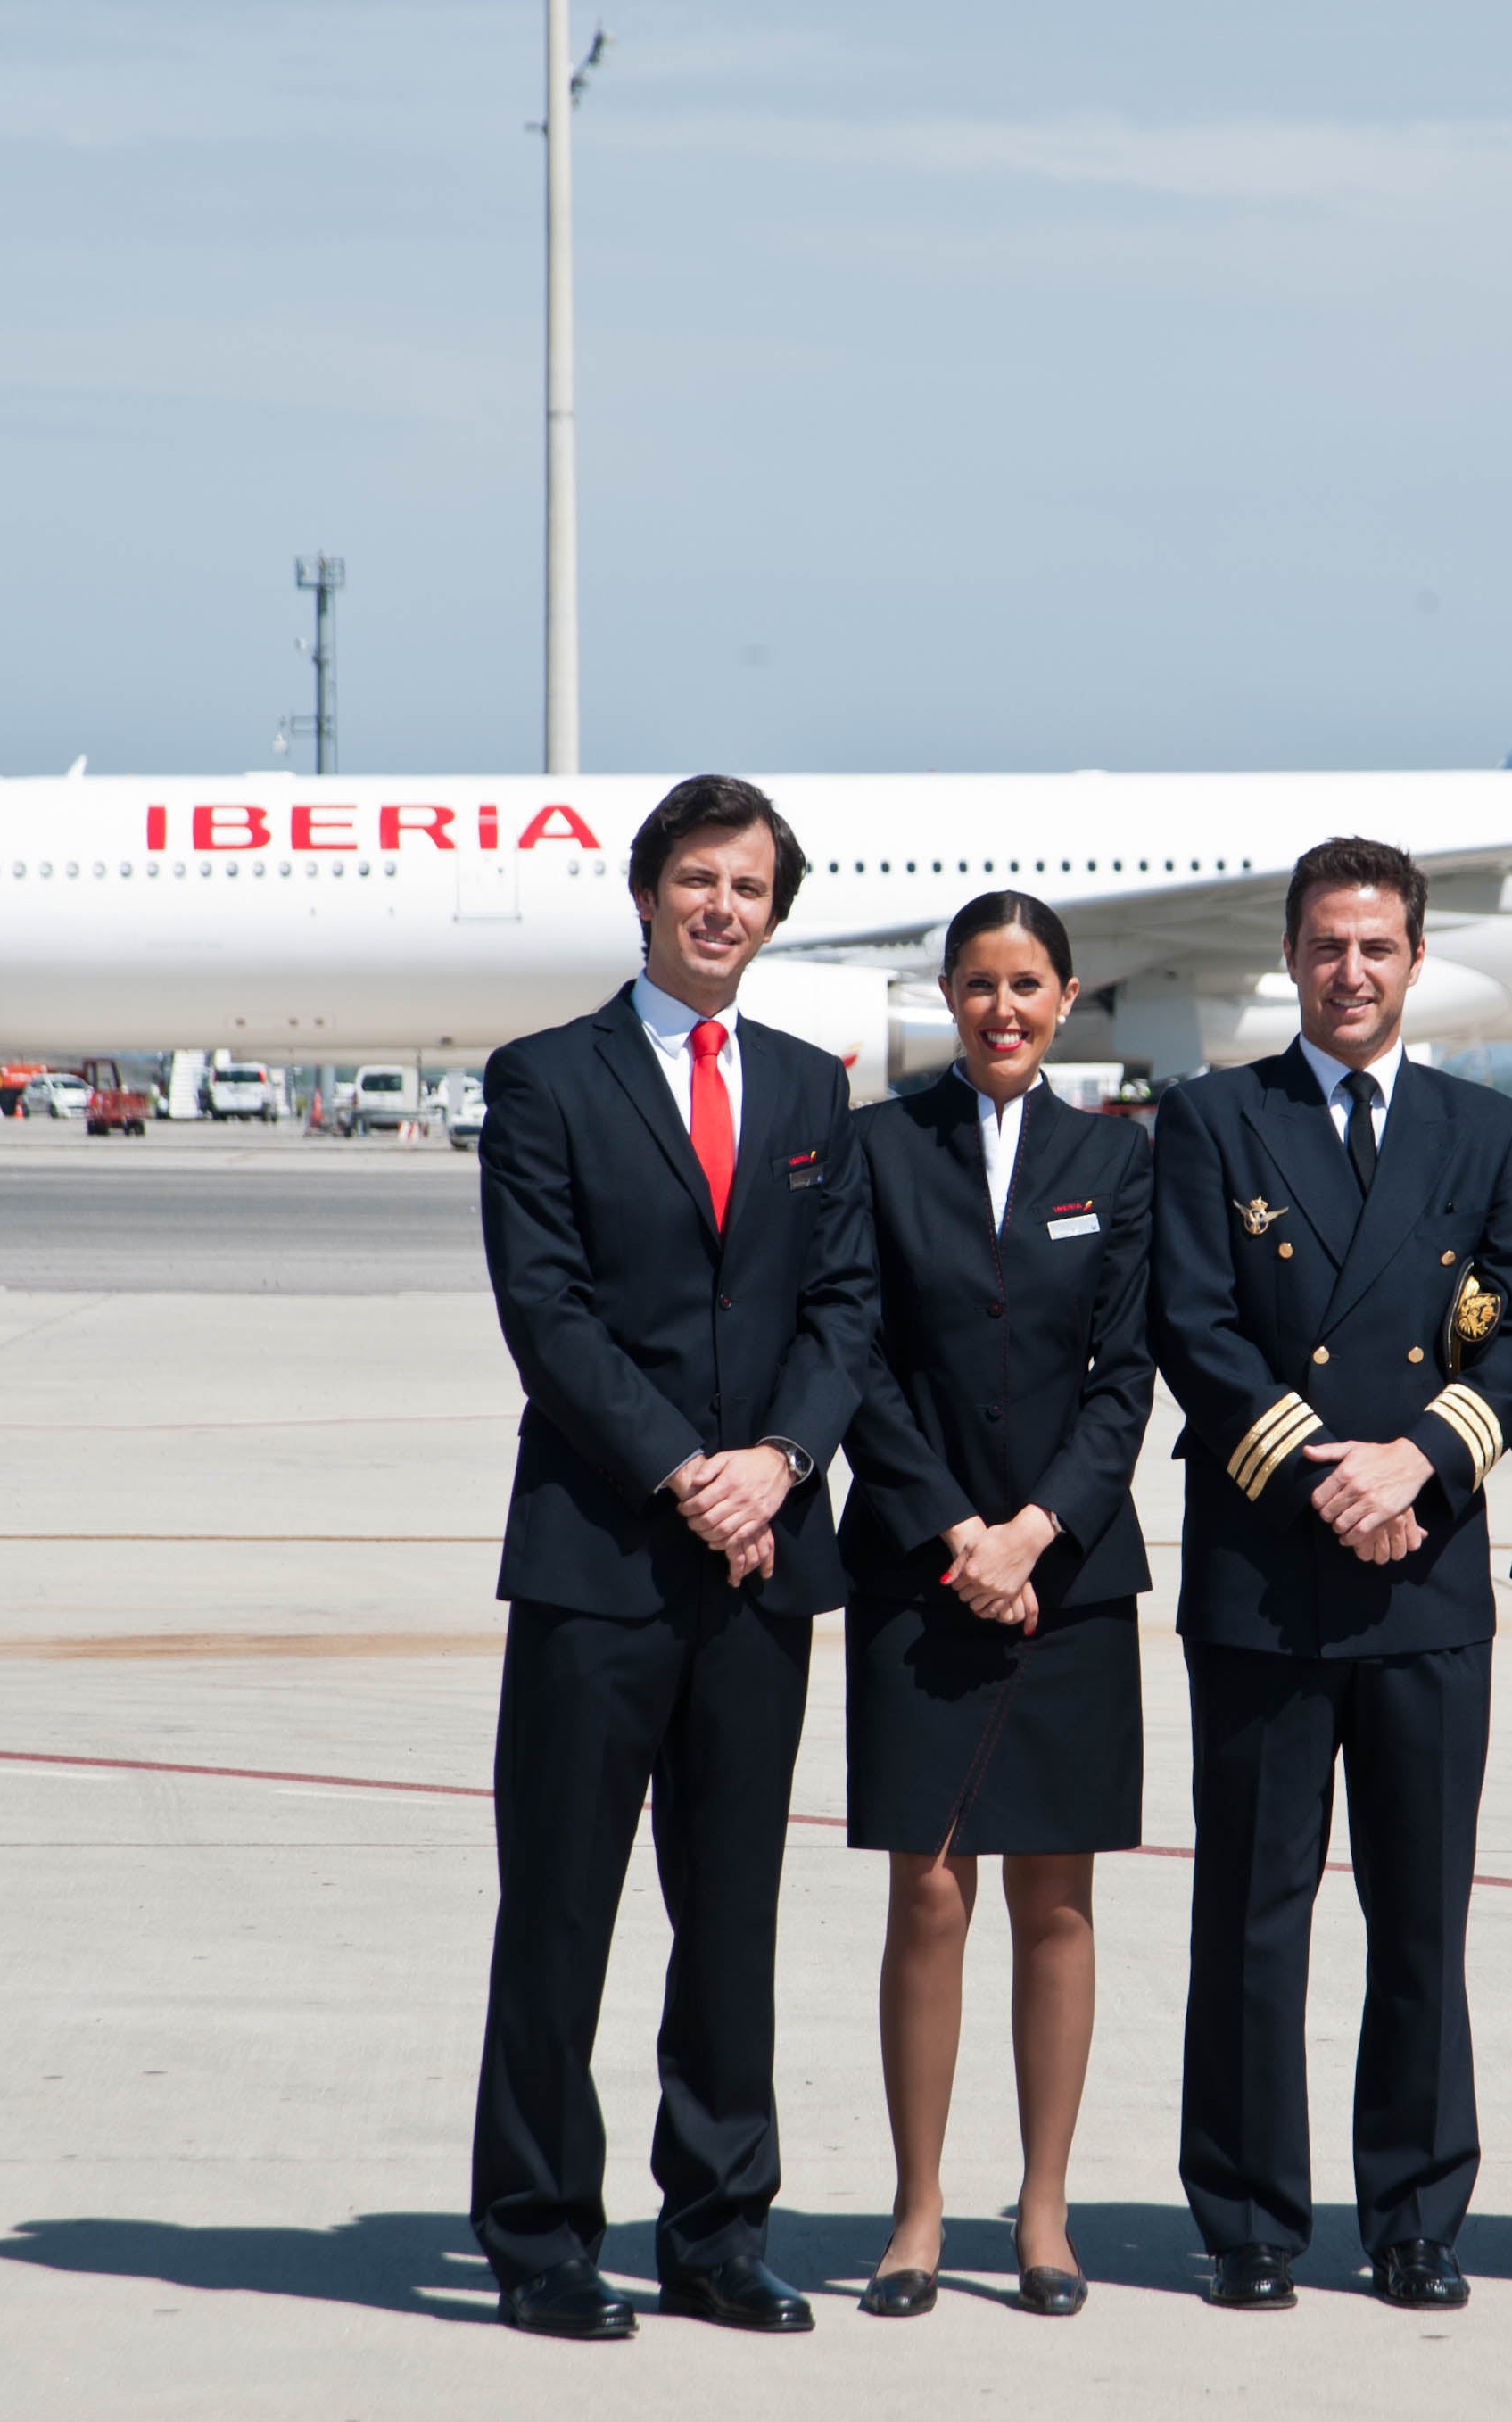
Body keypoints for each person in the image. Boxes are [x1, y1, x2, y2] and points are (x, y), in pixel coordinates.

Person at [465, 774, 877, 2343]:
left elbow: (844, 1309)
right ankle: (541, 2237)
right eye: (696, 880)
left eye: (750, 887)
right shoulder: (547, 1080)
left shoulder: (805, 1090)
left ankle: (714, 2231)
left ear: (774, 914)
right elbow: (546, 1314)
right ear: (644, 897)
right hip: (597, 1560)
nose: (721, 908)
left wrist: (778, 1461)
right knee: (558, 1915)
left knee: (733, 1918)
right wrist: (681, 1468)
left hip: (759, 1566)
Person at [1147, 836, 1512, 2314]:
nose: (1350, 971)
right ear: (1290, 955)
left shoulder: (1486, 1130)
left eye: (1377, 945)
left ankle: (1413, 2214)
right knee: (1252, 1913)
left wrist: (1422, 1468)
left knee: (1418, 1912)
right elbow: (1194, 1328)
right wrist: (1336, 1475)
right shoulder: (1210, 1121)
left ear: (1414, 956)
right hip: (1269, 1573)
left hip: (1424, 1578)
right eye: (1325, 945)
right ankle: (1249, 2216)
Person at [838, 891, 1157, 2322]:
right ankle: (916, 2209)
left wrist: (1033, 1534)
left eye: (1028, 984)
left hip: (1069, 1571)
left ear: (1067, 995)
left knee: (1056, 1902)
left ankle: (1041, 2209)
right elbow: (858, 1356)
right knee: (927, 1890)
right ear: (947, 997)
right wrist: (960, 1532)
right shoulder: (875, 1148)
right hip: (922, 1562)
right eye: (978, 985)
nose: (1003, 1009)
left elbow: (1124, 1375)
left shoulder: (1114, 1157)